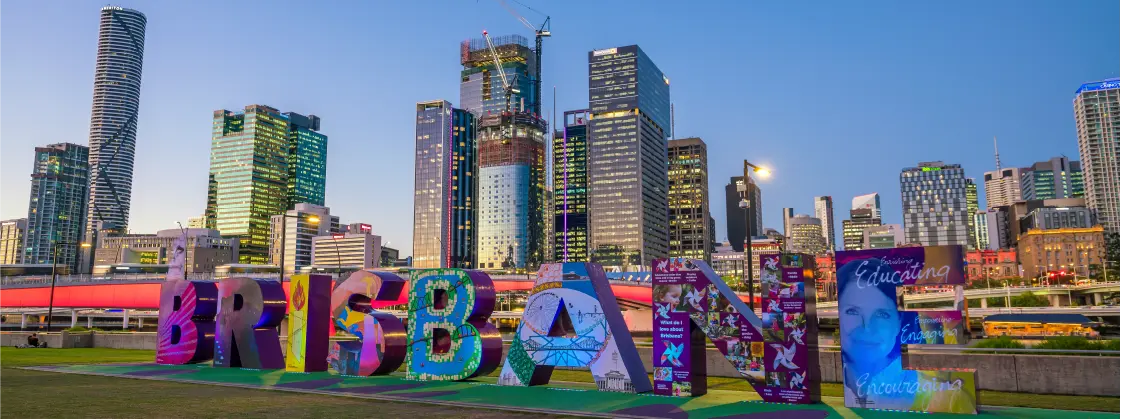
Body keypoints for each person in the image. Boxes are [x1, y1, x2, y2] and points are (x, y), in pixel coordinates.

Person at [838, 257, 915, 410]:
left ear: (898, 322)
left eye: (881, 314)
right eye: (852, 311)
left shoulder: (945, 396)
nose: (867, 327)